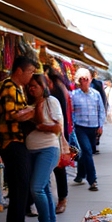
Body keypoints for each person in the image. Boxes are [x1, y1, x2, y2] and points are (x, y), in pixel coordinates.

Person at [0, 56, 37, 222]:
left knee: (20, 185)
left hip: (15, 142)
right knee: (20, 184)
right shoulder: (9, 87)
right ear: (19, 70)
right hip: (11, 142)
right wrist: (34, 111)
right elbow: (13, 115)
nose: (31, 76)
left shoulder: (17, 88)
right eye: (30, 72)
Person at [24, 73, 64, 222]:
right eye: (30, 86)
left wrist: (40, 124)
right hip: (31, 151)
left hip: (48, 149)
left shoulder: (51, 102)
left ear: (43, 86)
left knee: (37, 188)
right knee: (44, 188)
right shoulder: (28, 103)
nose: (32, 89)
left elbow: (57, 128)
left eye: (35, 86)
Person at [70, 68, 106, 192]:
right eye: (82, 79)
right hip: (80, 127)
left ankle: (80, 174)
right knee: (87, 151)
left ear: (90, 80)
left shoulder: (96, 94)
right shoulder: (73, 95)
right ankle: (93, 180)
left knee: (85, 153)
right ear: (78, 81)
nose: (84, 82)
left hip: (93, 127)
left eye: (86, 79)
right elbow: (71, 112)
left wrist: (101, 125)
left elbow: (101, 110)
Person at [46, 64, 73, 214]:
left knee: (59, 166)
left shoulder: (56, 92)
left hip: (58, 133)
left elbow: (61, 118)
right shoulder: (56, 88)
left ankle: (62, 198)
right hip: (51, 134)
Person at [90, 75, 108, 154]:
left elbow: (103, 96)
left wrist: (103, 108)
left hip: (95, 109)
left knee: (96, 129)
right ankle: (92, 146)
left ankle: (94, 145)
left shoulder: (97, 84)